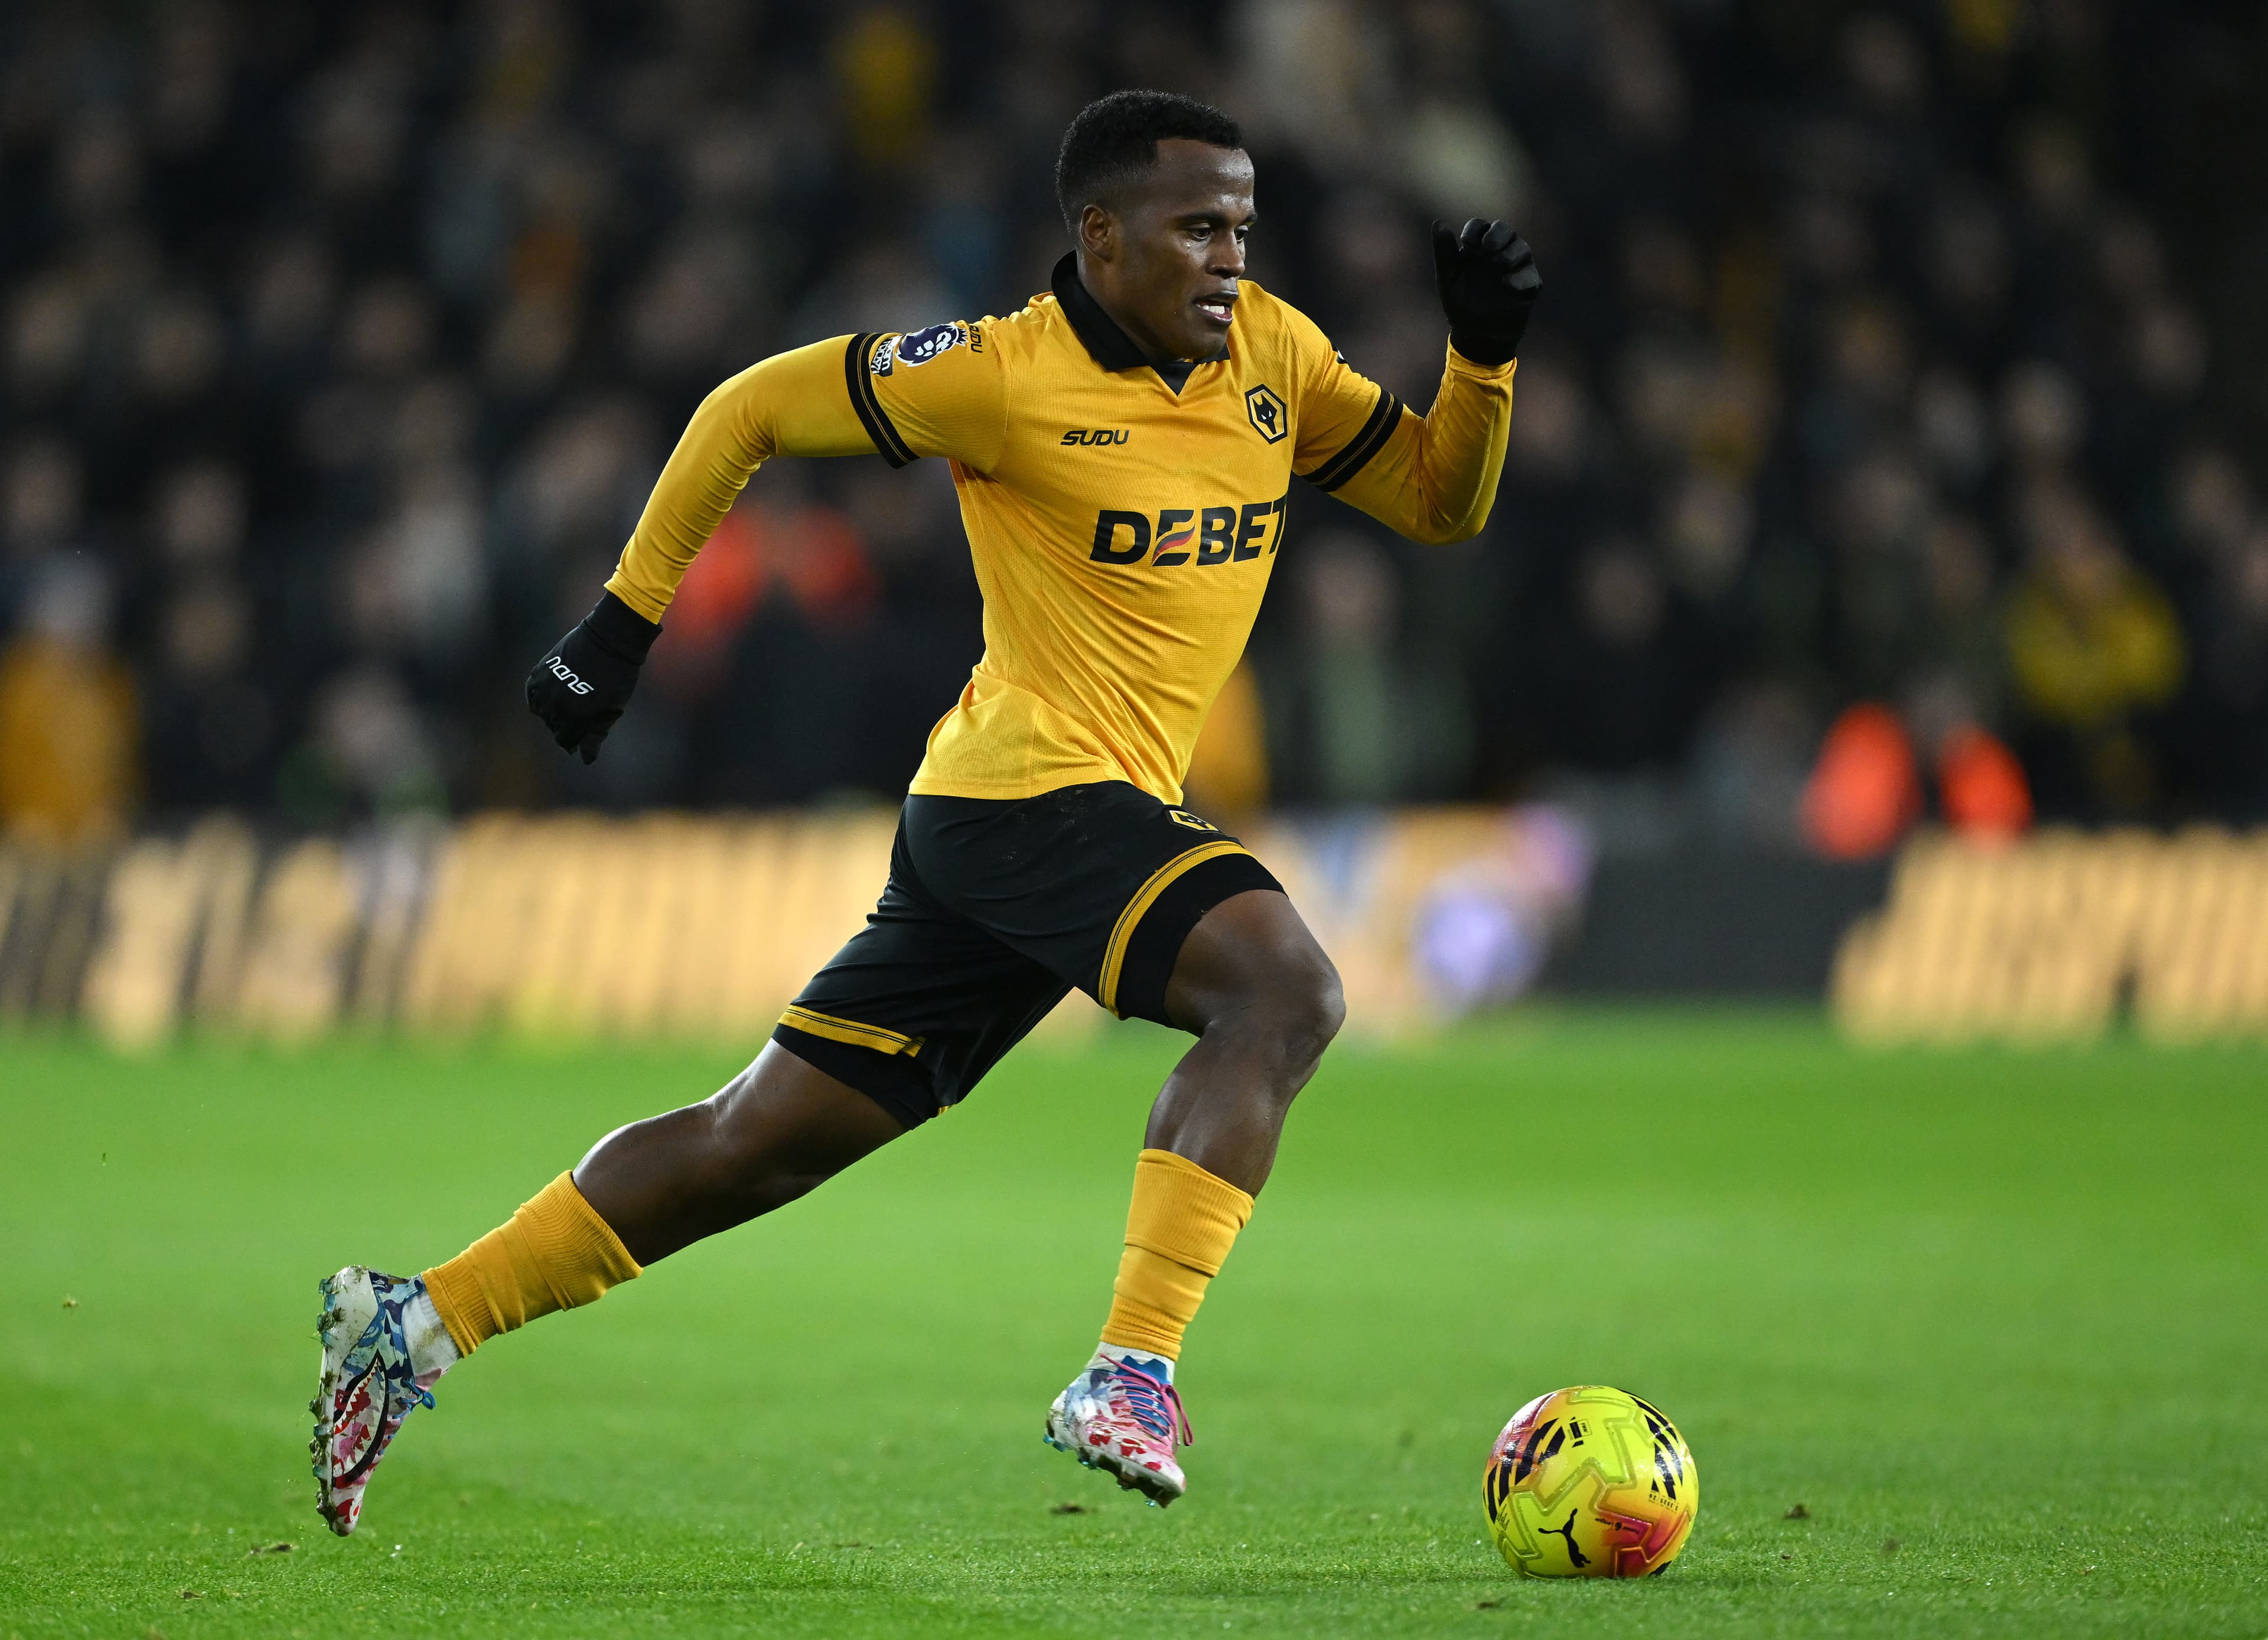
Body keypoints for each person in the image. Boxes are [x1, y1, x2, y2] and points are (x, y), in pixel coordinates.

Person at [309, 89, 1539, 1535]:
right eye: (1199, 227)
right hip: (1030, 795)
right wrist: (624, 623)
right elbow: (747, 408)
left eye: (1244, 228)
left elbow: (1437, 501)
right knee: (1287, 990)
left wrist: (1482, 360)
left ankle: (413, 1322)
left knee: (748, 1142)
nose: (1231, 258)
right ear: (1101, 235)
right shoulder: (999, 376)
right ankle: (1131, 1368)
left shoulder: (1272, 355)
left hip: (1029, 828)